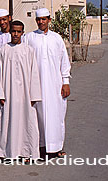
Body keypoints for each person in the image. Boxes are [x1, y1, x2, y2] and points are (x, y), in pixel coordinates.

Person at [23, 8, 71, 158]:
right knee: (37, 116)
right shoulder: (29, 38)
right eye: (39, 19)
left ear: (49, 20)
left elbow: (64, 61)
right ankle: (40, 147)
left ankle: (57, 146)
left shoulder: (57, 38)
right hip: (35, 85)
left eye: (44, 19)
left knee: (56, 115)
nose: (41, 22)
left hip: (55, 84)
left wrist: (66, 82)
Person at [0, 20, 42, 161]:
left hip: (25, 94)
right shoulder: (3, 50)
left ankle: (27, 152)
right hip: (8, 93)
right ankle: (7, 152)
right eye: (13, 31)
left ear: (22, 32)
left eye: (18, 31)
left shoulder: (28, 50)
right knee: (7, 121)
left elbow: (34, 73)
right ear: (9, 32)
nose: (15, 34)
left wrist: (34, 95)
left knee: (27, 122)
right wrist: (0, 93)